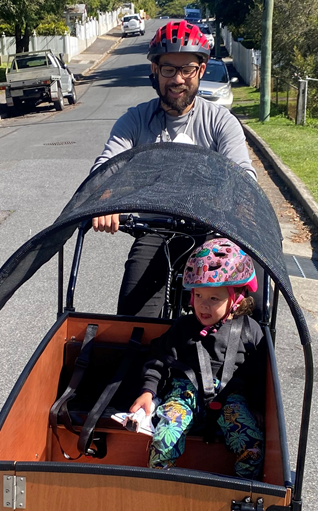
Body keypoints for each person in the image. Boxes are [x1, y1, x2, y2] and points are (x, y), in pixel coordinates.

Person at [90, 20, 258, 317]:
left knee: (237, 317)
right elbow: (107, 165)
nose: (178, 79)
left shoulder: (220, 122)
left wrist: (238, 213)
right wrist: (105, 199)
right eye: (169, 69)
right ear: (154, 70)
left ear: (201, 71)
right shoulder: (136, 120)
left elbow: (243, 175)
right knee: (132, 320)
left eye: (187, 69)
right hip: (154, 231)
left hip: (213, 231)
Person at [129, 239, 265, 479]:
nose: (203, 304)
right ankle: (159, 485)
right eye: (198, 295)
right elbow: (158, 359)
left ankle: (240, 492)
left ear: (237, 299)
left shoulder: (249, 330)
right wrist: (148, 391)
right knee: (163, 439)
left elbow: (258, 372)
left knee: (253, 446)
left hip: (231, 396)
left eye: (214, 299)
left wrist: (255, 404)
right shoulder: (183, 327)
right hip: (185, 392)